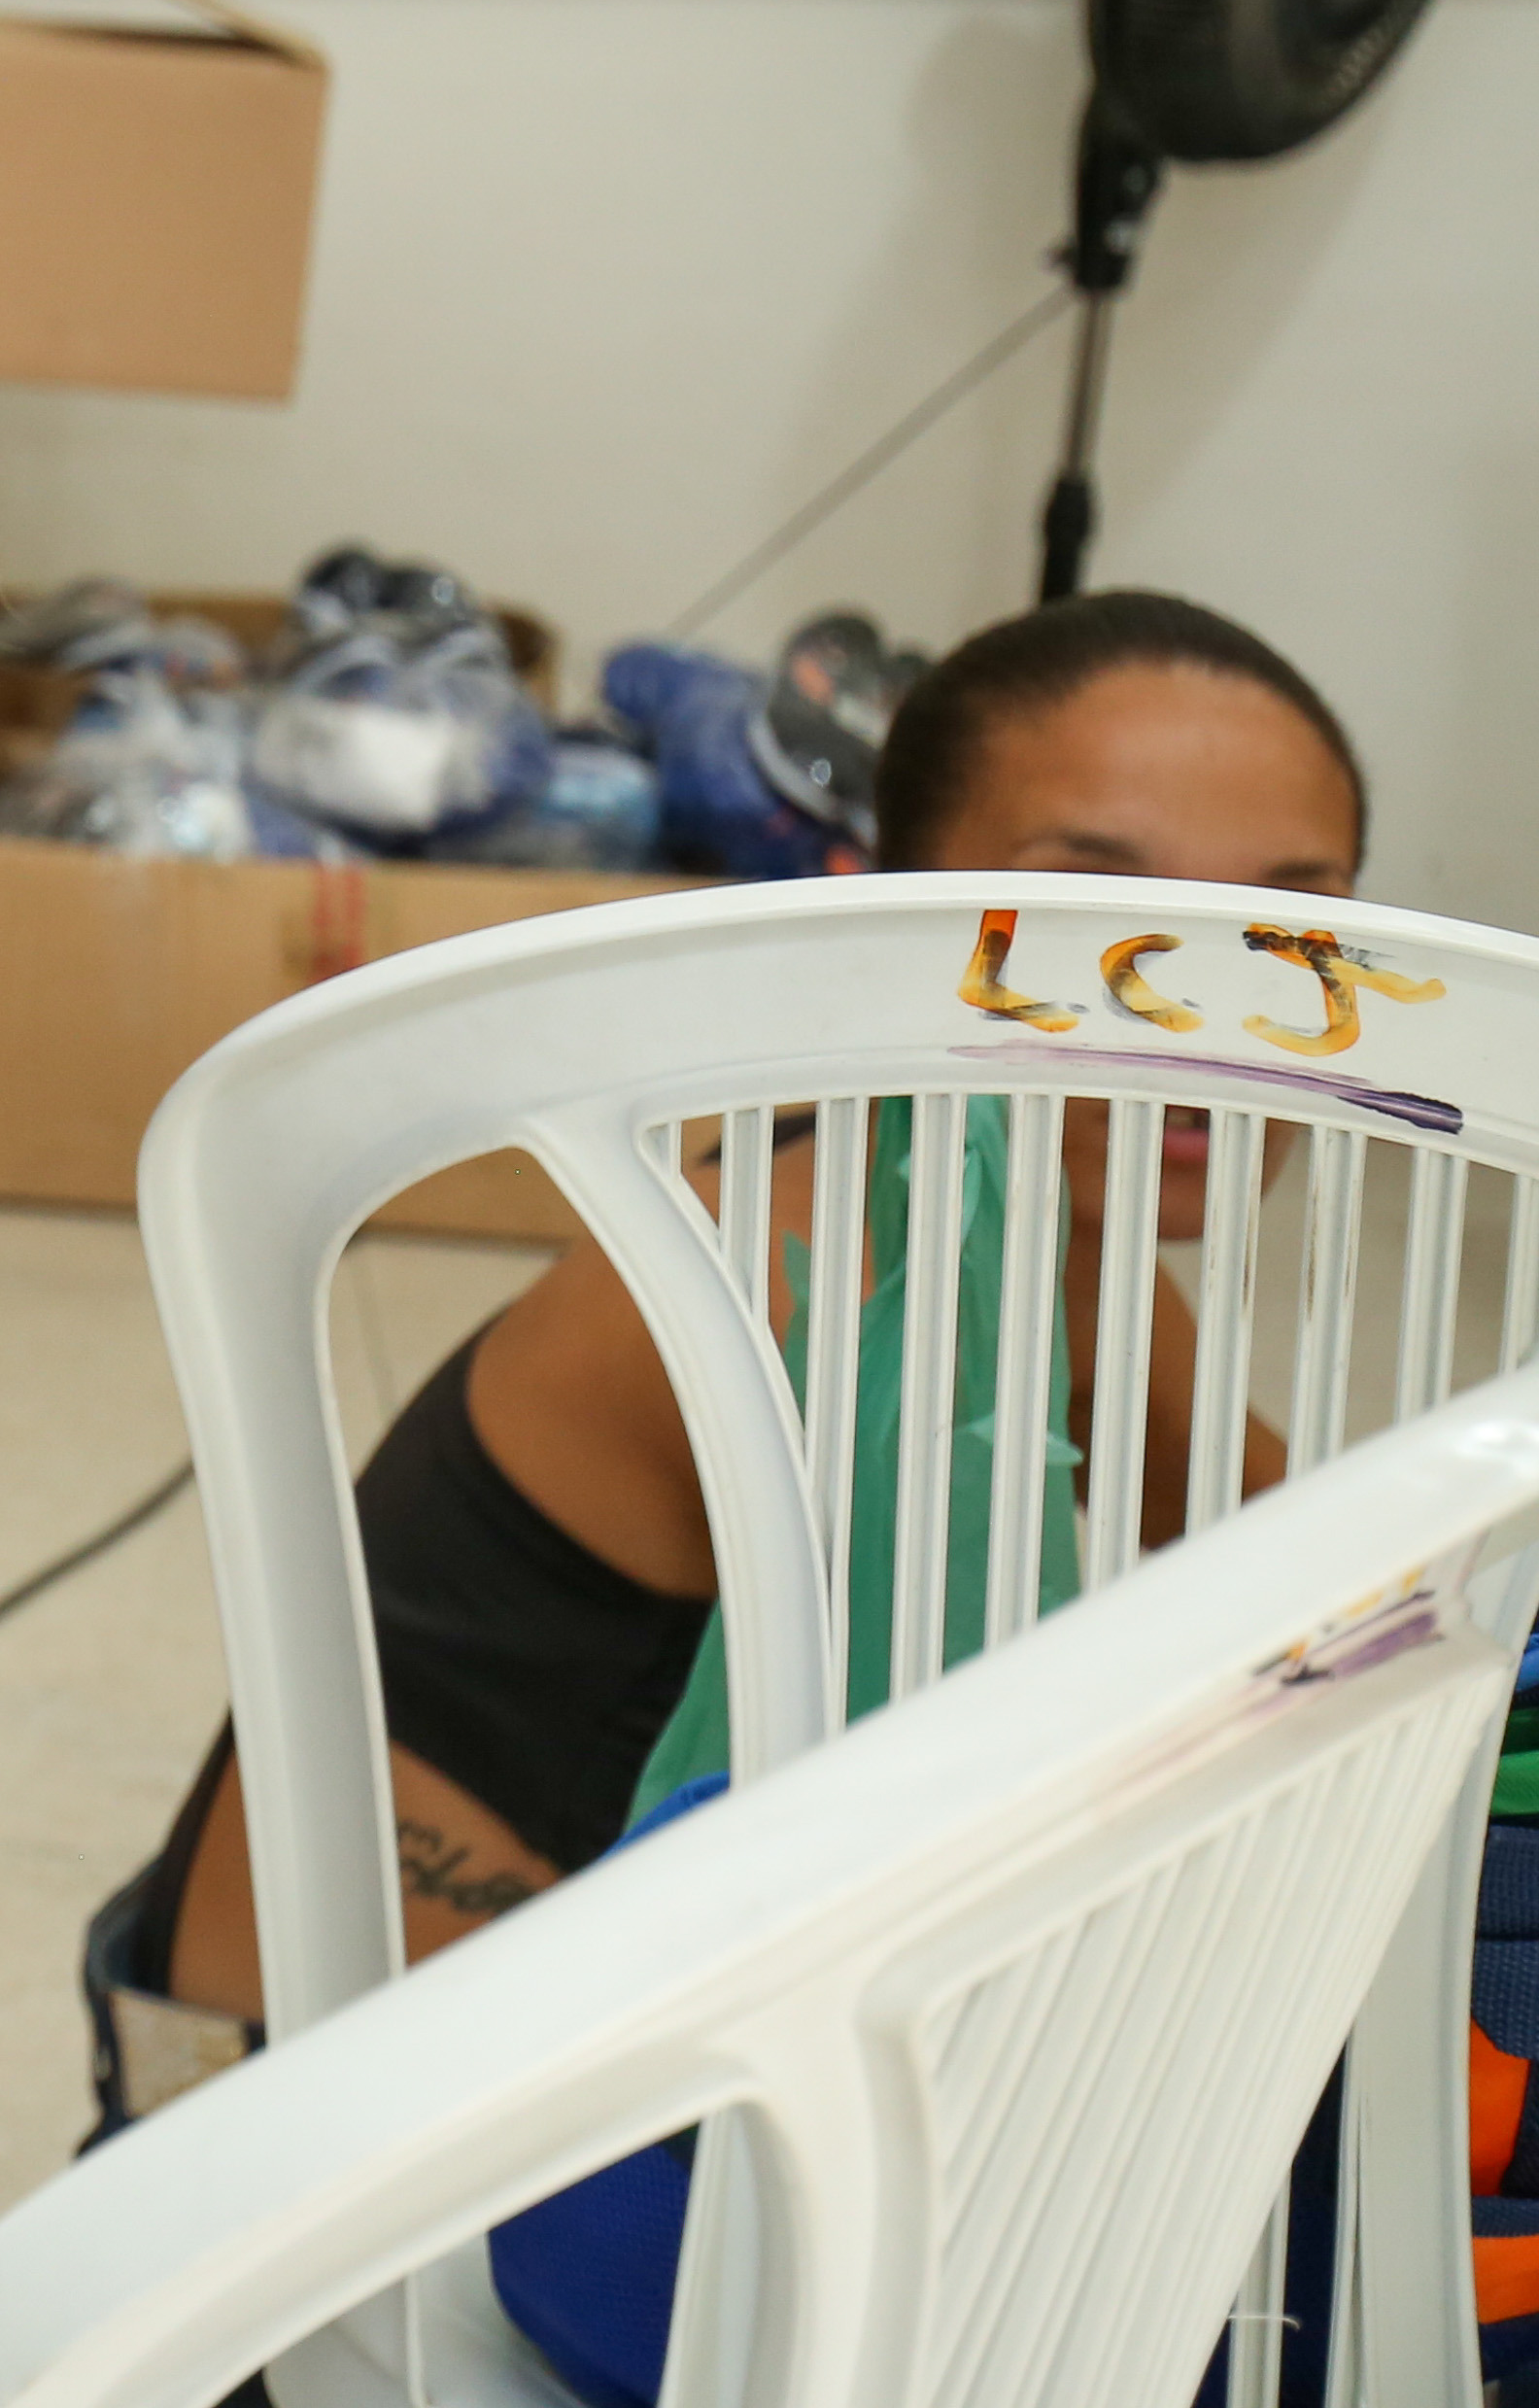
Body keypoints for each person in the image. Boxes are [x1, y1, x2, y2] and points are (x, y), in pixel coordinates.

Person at [90, 588, 1374, 2109]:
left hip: (609, 2067)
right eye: (1092, 915)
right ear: (887, 911)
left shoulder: (1054, 1225)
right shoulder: (802, 1263)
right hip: (332, 2155)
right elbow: (936, 1872)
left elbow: (1329, 1584)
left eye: (1294, 925)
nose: (1203, 1015)